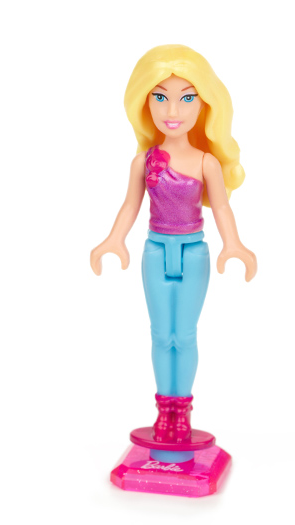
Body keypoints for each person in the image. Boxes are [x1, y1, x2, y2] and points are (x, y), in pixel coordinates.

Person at [90, 45, 256, 447]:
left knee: (185, 334)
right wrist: (114, 238)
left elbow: (221, 207)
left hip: (194, 253)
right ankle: (165, 411)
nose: (174, 110)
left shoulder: (206, 162)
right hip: (154, 251)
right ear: (145, 102)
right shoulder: (143, 162)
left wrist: (233, 244)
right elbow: (131, 205)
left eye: (187, 98)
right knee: (161, 335)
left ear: (205, 104)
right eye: (161, 97)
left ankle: (182, 411)